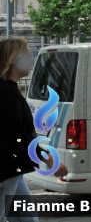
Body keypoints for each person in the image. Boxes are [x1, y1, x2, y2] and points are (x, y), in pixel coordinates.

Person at [0, 38, 68, 222]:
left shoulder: (8, 90)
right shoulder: (7, 94)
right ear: (15, 60)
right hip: (6, 169)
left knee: (28, 218)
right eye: (28, 57)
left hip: (13, 170)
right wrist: (49, 160)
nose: (31, 61)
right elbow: (18, 137)